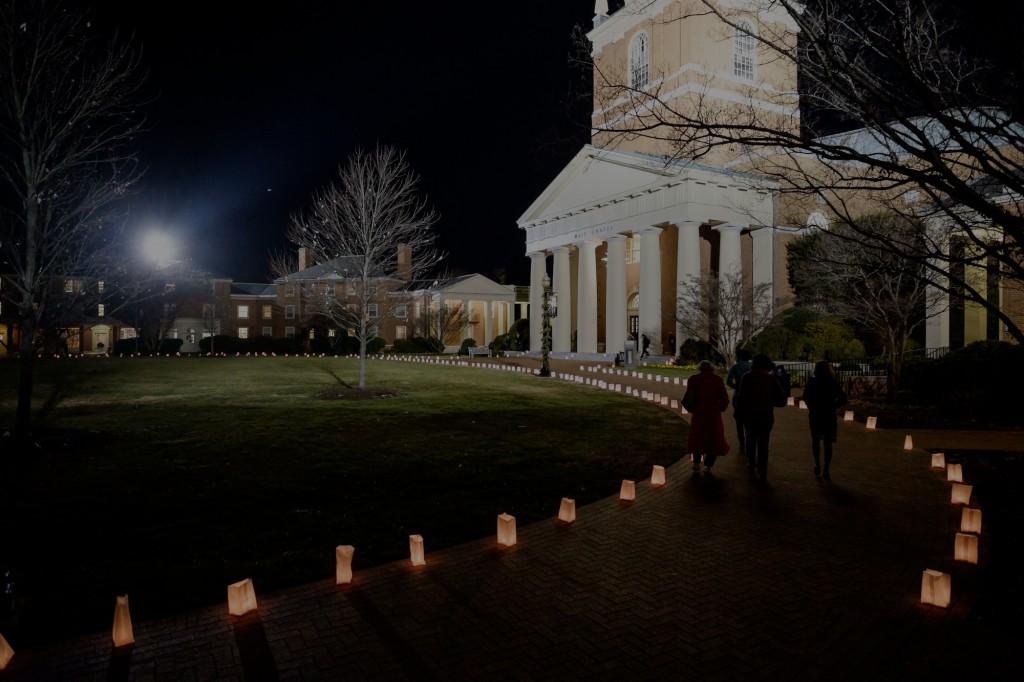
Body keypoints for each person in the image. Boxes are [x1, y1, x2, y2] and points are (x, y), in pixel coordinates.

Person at [734, 353, 788, 482]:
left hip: (750, 416)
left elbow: (741, 398)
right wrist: (769, 402)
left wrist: (738, 413)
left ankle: (751, 463)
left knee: (750, 440)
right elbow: (782, 399)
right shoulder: (771, 379)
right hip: (765, 415)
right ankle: (762, 470)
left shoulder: (748, 377)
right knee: (763, 443)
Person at [681, 360, 730, 475]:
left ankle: (696, 463)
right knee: (714, 437)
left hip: (699, 412)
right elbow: (724, 397)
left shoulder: (693, 379)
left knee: (698, 436)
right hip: (713, 413)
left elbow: (690, 395)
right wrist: (722, 407)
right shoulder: (717, 380)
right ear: (712, 368)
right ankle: (708, 466)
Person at [801, 360, 847, 481]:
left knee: (815, 440)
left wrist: (811, 405)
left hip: (816, 414)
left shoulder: (812, 382)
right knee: (828, 444)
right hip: (829, 415)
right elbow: (843, 398)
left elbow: (805, 396)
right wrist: (834, 406)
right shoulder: (832, 382)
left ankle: (817, 464)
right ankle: (826, 469)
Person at [726, 348, 752, 455]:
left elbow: (728, 381)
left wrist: (737, 387)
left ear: (739, 357)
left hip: (738, 396)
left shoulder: (735, 367)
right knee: (749, 421)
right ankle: (750, 441)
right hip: (751, 397)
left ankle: (742, 442)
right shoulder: (751, 367)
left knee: (739, 421)